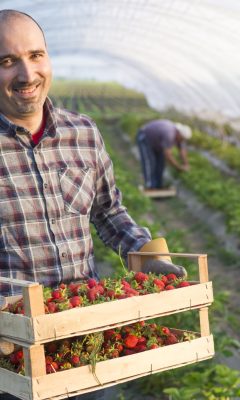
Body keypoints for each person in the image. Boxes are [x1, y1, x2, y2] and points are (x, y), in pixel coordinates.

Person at [0, 9, 186, 400]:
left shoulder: (83, 133)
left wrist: (143, 251)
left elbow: (107, 210)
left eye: (35, 56)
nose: (26, 74)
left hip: (85, 340)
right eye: (7, 61)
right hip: (11, 355)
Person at [136, 119, 192, 189]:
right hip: (145, 138)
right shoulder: (169, 134)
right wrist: (178, 167)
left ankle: (158, 185)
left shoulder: (179, 137)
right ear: (179, 133)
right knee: (150, 163)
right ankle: (150, 186)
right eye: (182, 138)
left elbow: (182, 151)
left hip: (157, 143)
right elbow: (168, 155)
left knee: (160, 164)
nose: (182, 140)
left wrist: (186, 164)